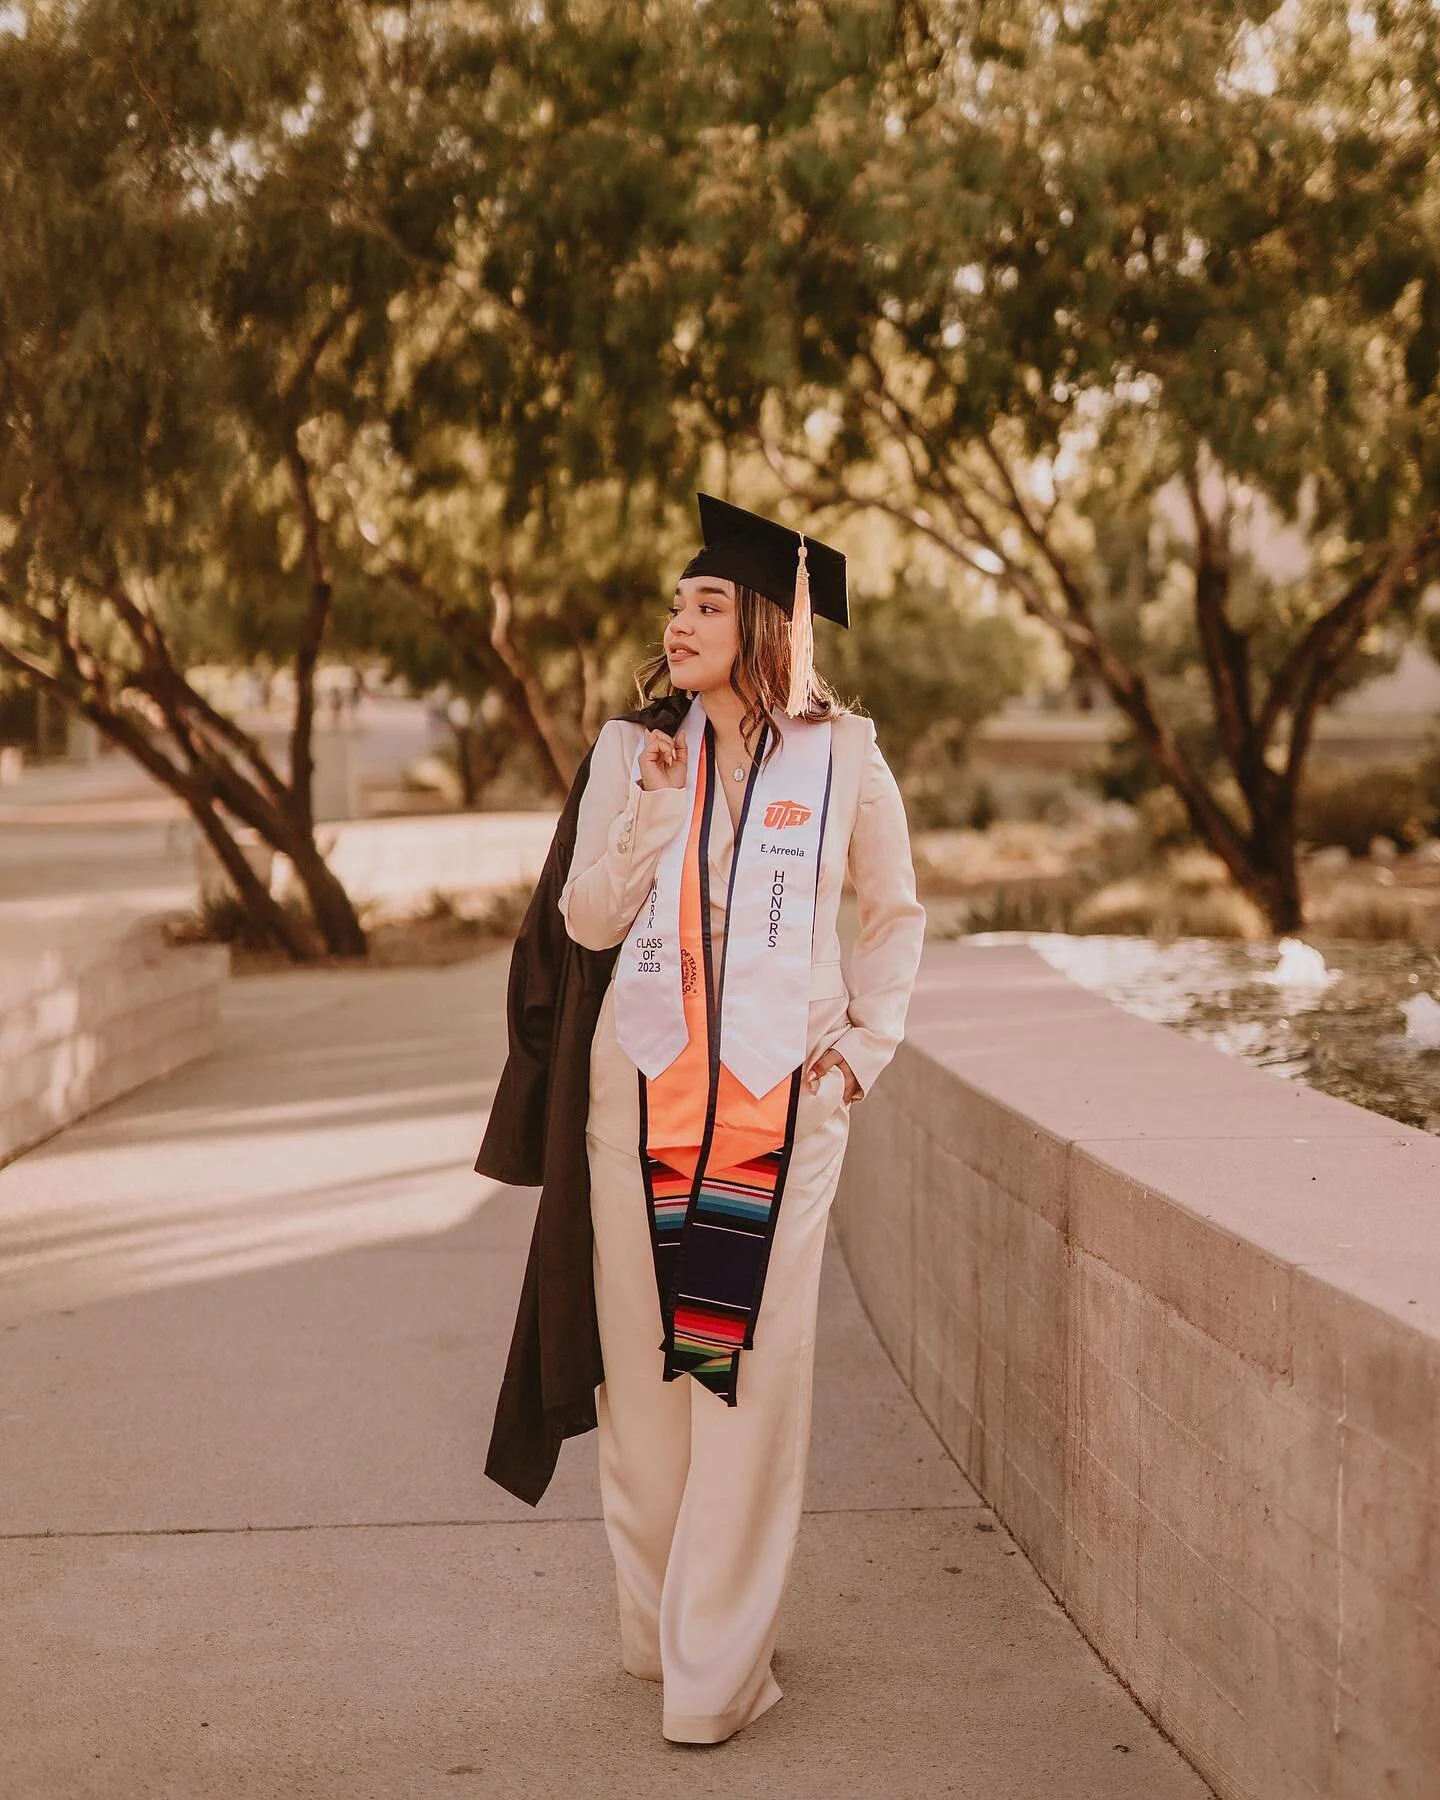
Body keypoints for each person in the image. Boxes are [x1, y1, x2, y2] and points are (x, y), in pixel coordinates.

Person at [476, 493, 925, 1745]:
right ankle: (659, 1622)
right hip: (645, 1086)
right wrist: (656, 808)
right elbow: (586, 921)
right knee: (650, 1376)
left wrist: (860, 1054)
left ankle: (717, 1671)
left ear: (767, 622)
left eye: (707, 603)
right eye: (676, 603)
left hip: (783, 1098)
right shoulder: (637, 748)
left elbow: (892, 917)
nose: (678, 622)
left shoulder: (843, 754)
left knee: (744, 1372)